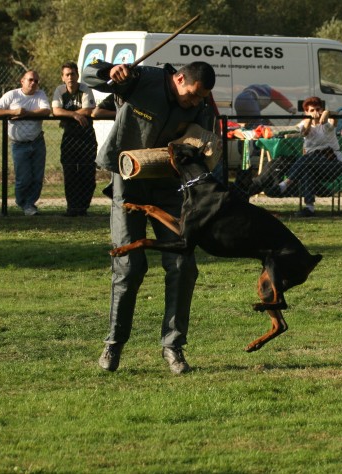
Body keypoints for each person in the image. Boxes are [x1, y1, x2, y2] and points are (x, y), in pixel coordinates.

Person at [83, 59, 216, 375]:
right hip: (127, 186)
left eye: (201, 98)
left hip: (169, 190)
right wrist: (109, 72)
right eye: (193, 95)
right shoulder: (142, 79)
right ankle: (114, 344)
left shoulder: (201, 105)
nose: (196, 103)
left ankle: (173, 347)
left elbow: (202, 148)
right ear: (179, 78)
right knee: (129, 266)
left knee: (183, 264)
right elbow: (89, 73)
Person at [0, 70, 51, 216]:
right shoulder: (12, 95)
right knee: (23, 178)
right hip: (19, 143)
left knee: (37, 177)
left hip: (37, 141)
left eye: (36, 81)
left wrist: (26, 114)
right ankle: (22, 202)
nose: (33, 83)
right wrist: (13, 112)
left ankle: (30, 204)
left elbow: (46, 111)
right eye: (30, 80)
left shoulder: (40, 95)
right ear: (22, 81)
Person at [276, 96, 342, 217]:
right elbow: (305, 132)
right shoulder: (303, 124)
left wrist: (327, 112)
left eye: (318, 109)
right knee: (307, 167)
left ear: (322, 109)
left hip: (333, 164)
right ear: (306, 112)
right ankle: (309, 208)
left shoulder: (328, 122)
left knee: (308, 159)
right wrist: (309, 120)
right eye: (312, 110)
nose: (315, 112)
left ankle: (286, 183)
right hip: (314, 165)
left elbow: (336, 117)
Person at [52, 62, 97, 217]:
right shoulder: (60, 90)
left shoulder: (85, 89)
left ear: (78, 75)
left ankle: (83, 208)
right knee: (70, 172)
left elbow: (89, 109)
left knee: (87, 172)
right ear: (63, 77)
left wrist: (70, 113)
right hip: (69, 136)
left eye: (73, 74)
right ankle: (72, 208)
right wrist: (75, 115)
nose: (70, 77)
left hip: (86, 136)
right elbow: (56, 111)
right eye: (67, 74)